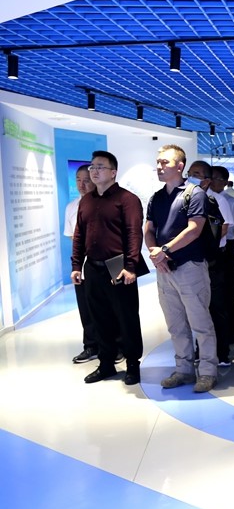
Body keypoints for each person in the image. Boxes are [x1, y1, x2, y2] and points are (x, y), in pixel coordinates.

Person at [145, 144, 219, 393]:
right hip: (165, 270)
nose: (159, 166)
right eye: (158, 162)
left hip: (190, 267)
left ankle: (207, 372)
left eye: (164, 162)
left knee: (201, 323)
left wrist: (164, 250)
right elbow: (149, 229)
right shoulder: (156, 197)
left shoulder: (194, 194)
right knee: (175, 325)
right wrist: (156, 254)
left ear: (180, 166)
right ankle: (184, 369)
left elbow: (194, 229)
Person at [71, 151, 146, 385]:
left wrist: (131, 266)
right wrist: (76, 265)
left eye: (100, 167)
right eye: (92, 167)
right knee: (98, 317)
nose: (94, 171)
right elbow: (79, 234)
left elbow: (134, 233)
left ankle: (132, 364)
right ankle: (106, 364)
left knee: (126, 316)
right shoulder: (87, 200)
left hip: (118, 265)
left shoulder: (127, 199)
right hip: (92, 266)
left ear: (113, 172)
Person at [186, 161, 234, 367]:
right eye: (190, 173)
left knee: (217, 306)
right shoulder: (186, 198)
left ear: (206, 180)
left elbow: (224, 227)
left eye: (196, 174)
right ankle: (201, 350)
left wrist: (207, 245)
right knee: (197, 307)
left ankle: (221, 352)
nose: (191, 177)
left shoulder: (218, 200)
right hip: (193, 260)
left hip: (214, 259)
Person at [65, 164, 101, 364]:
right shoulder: (71, 207)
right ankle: (91, 346)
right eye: (78, 180)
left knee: (111, 306)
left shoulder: (104, 203)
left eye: (86, 180)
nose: (82, 184)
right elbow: (73, 238)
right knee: (85, 308)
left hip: (106, 264)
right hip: (83, 265)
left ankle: (117, 345)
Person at [211, 166, 234, 353]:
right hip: (212, 250)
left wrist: (230, 246)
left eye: (217, 178)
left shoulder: (231, 202)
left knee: (230, 290)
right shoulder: (203, 199)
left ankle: (233, 330)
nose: (212, 181)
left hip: (227, 247)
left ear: (225, 182)